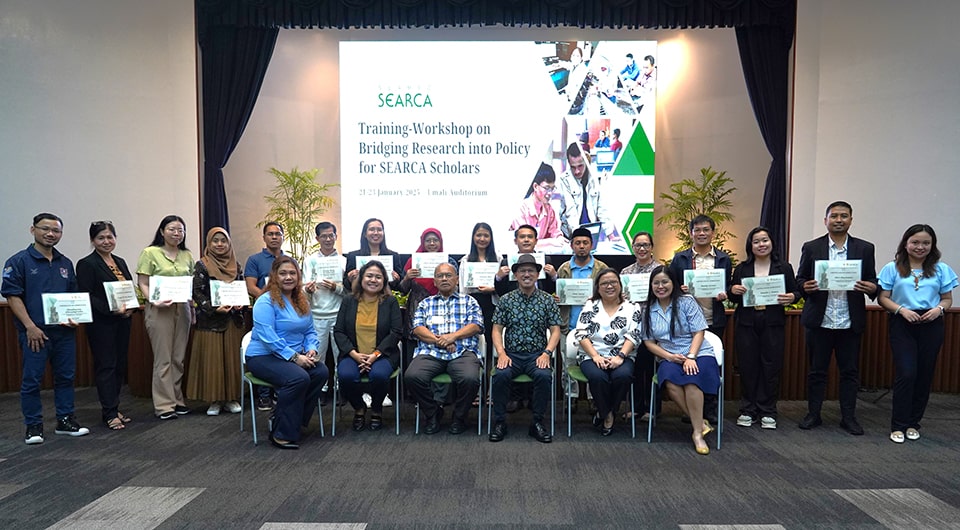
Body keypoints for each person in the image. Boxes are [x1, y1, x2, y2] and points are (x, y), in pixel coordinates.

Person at [3, 213, 89, 444]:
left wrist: (74, 317)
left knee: (65, 377)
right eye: (45, 229)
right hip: (35, 332)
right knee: (32, 380)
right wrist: (29, 326)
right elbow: (12, 296)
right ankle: (33, 426)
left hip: (64, 333)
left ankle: (65, 420)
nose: (51, 234)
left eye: (56, 231)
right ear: (33, 230)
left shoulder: (65, 263)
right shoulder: (19, 261)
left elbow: (72, 296)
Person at [796, 201, 878, 435]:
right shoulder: (812, 247)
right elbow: (800, 279)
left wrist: (869, 287)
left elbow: (874, 283)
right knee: (816, 371)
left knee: (850, 372)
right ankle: (813, 414)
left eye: (844, 216)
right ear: (826, 220)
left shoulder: (865, 248)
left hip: (849, 321)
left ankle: (849, 417)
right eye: (834, 216)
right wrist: (806, 286)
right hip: (819, 321)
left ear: (851, 220)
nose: (839, 220)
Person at [877, 224, 956, 443]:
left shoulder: (941, 269)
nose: (920, 247)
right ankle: (898, 425)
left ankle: (913, 423)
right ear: (906, 243)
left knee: (924, 374)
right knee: (907, 372)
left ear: (932, 245)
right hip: (902, 322)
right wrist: (901, 310)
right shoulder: (892, 268)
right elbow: (883, 297)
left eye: (925, 243)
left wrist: (938, 310)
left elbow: (947, 299)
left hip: (931, 324)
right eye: (915, 242)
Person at [244, 256, 327, 449]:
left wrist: (312, 348)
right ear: (274, 276)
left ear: (298, 276)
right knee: (298, 378)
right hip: (262, 357)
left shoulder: (301, 300)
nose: (288, 277)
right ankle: (281, 433)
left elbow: (309, 331)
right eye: (283, 273)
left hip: (292, 356)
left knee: (320, 372)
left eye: (292, 273)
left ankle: (290, 421)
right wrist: (295, 357)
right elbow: (268, 336)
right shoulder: (265, 301)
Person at [728, 226, 800, 430]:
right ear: (750, 245)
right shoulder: (742, 268)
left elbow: (795, 291)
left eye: (765, 240)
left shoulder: (783, 267)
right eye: (757, 241)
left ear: (772, 243)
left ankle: (768, 410)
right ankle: (748, 409)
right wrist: (733, 289)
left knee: (771, 365)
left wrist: (792, 297)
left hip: (772, 322)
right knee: (748, 365)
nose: (761, 244)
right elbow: (733, 295)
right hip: (747, 322)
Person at [642, 266, 719, 455]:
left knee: (692, 382)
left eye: (665, 282)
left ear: (673, 283)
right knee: (671, 383)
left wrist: (691, 356)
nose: (661, 286)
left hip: (698, 352)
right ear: (651, 285)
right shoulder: (647, 309)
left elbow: (699, 332)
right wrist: (668, 356)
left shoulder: (686, 301)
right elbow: (649, 342)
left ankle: (697, 434)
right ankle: (700, 422)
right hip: (669, 355)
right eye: (656, 283)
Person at [489, 254, 563, 443]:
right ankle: (499, 422)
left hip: (537, 355)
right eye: (522, 271)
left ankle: (536, 422)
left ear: (538, 275)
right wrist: (501, 353)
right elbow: (496, 330)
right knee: (500, 375)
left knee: (544, 376)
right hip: (511, 354)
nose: (527, 274)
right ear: (516, 275)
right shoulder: (506, 300)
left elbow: (555, 331)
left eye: (531, 270)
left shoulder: (547, 300)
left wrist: (547, 353)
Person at [405, 263, 484, 435]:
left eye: (448, 275)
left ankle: (459, 416)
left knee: (470, 379)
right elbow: (417, 328)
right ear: (434, 281)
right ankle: (433, 413)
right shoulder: (426, 303)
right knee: (412, 377)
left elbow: (476, 326)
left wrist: (453, 337)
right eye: (440, 276)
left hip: (462, 351)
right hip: (431, 352)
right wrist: (440, 340)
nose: (444, 279)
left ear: (456, 279)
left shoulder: (469, 301)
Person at [668, 214, 731, 424]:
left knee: (710, 366)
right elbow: (669, 288)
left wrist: (725, 293)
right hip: (686, 324)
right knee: (690, 364)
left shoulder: (723, 259)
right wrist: (680, 289)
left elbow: (728, 286)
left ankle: (710, 410)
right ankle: (694, 410)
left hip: (713, 319)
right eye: (697, 230)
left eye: (706, 230)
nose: (701, 233)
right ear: (690, 233)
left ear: (713, 233)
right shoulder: (680, 259)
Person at [76, 220, 136, 431]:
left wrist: (131, 307)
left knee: (119, 365)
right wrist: (111, 310)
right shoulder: (87, 263)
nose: (106, 241)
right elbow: (86, 295)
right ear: (93, 240)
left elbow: (128, 288)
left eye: (110, 237)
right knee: (106, 366)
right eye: (101, 237)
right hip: (102, 324)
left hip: (123, 321)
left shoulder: (119, 261)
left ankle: (113, 407)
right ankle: (109, 413)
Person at [137, 215, 195, 420]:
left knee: (178, 358)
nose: (176, 233)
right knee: (163, 359)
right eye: (172, 229)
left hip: (183, 309)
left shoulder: (187, 255)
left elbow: (189, 284)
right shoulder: (150, 252)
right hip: (159, 309)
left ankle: (177, 399)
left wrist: (192, 309)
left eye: (180, 230)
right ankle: (164, 405)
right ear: (162, 231)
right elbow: (143, 282)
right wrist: (153, 300)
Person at [334, 260, 402, 432]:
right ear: (361, 278)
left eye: (378, 277)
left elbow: (395, 332)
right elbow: (339, 331)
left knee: (379, 375)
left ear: (384, 280)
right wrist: (354, 354)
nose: (373, 280)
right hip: (353, 354)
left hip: (382, 354)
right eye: (369, 276)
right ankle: (359, 407)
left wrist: (375, 355)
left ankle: (377, 409)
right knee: (346, 376)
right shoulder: (349, 301)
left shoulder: (390, 302)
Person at [572, 268, 641, 435]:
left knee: (622, 376)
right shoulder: (590, 305)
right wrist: (595, 356)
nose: (609, 286)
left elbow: (634, 335)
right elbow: (581, 333)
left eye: (613, 282)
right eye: (604, 283)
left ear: (620, 284)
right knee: (598, 377)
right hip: (591, 355)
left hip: (622, 355)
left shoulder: (633, 307)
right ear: (598, 287)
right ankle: (608, 414)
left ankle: (603, 411)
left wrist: (620, 357)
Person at [186, 227, 244, 417]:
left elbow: (240, 290)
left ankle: (231, 398)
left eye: (223, 241)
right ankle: (215, 400)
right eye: (215, 241)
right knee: (213, 361)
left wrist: (239, 305)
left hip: (231, 321)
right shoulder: (202, 265)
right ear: (208, 244)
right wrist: (213, 307)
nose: (219, 244)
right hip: (210, 322)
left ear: (229, 243)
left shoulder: (237, 265)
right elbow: (197, 292)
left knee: (231, 360)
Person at [243, 221, 289, 412]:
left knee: (282, 346)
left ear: (282, 237)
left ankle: (280, 391)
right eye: (270, 234)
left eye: (278, 234)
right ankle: (263, 396)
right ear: (264, 238)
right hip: (265, 309)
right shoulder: (255, 260)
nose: (274, 237)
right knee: (265, 346)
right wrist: (268, 297)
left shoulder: (289, 259)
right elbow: (251, 286)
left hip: (286, 312)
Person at [620, 231, 662, 420]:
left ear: (652, 247)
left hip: (655, 325)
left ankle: (653, 409)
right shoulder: (626, 272)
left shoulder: (661, 269)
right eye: (638, 245)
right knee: (635, 368)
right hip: (633, 327)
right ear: (633, 248)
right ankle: (636, 408)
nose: (642, 249)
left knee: (652, 367)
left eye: (645, 245)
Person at [303, 221, 347, 401]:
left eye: (331, 235)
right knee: (317, 355)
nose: (328, 239)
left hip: (339, 314)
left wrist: (336, 287)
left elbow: (351, 291)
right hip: (317, 315)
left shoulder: (344, 261)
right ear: (317, 238)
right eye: (324, 236)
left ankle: (340, 388)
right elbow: (303, 289)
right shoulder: (310, 260)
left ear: (336, 237)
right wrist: (309, 290)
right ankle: (320, 389)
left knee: (340, 355)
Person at [557, 142, 620, 241]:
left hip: (592, 233)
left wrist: (610, 235)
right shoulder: (564, 180)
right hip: (571, 234)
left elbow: (602, 208)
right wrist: (577, 238)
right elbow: (570, 211)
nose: (577, 171)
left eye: (580, 166)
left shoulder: (595, 177)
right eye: (573, 167)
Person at [459, 222, 500, 366]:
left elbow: (503, 286)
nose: (482, 239)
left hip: (492, 304)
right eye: (479, 235)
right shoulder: (465, 260)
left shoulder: (499, 259)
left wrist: (493, 289)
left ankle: (490, 372)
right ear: (473, 237)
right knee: (473, 339)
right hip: (472, 303)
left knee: (490, 340)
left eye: (486, 235)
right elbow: (462, 288)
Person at [558, 227, 609, 332]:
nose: (581, 246)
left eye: (585, 243)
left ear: (591, 245)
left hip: (596, 328)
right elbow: (557, 294)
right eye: (577, 243)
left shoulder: (602, 268)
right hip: (569, 327)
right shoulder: (564, 269)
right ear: (572, 246)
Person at [509, 163, 564, 249]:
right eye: (546, 188)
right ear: (535, 186)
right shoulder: (521, 208)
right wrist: (550, 242)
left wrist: (559, 238)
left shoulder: (549, 209)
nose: (549, 193)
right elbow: (525, 241)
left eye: (552, 188)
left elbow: (554, 232)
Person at [344, 217, 402, 292]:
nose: (376, 233)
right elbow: (346, 285)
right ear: (365, 234)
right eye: (372, 229)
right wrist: (349, 279)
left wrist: (396, 280)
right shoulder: (353, 256)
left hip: (385, 300)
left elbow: (399, 287)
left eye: (379, 230)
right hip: (360, 299)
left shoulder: (393, 256)